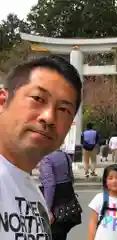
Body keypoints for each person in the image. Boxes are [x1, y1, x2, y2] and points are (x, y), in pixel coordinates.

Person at [0, 55, 82, 239]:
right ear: (2, 102)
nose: (49, 117)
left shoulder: (35, 196)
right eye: (38, 98)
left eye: (63, 110)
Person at [39, 148, 82, 240]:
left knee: (52, 234)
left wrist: (48, 210)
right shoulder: (65, 155)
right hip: (68, 203)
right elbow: (72, 178)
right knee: (61, 234)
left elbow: (49, 185)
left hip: (55, 203)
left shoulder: (47, 158)